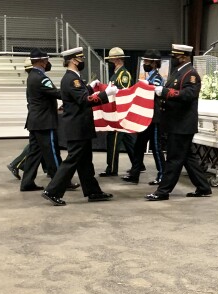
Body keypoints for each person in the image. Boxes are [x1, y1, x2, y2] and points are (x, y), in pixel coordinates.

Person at [41, 47, 114, 206]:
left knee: (85, 162)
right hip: (78, 127)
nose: (83, 61)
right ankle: (52, 191)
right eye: (81, 59)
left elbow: (79, 94)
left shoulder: (74, 78)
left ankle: (93, 191)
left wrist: (89, 87)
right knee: (72, 160)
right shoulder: (71, 79)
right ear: (74, 60)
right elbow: (83, 100)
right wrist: (105, 94)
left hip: (81, 127)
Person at [145, 44, 212, 201]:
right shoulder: (178, 72)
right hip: (175, 122)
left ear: (183, 57)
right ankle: (203, 187)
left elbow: (189, 94)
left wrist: (165, 91)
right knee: (188, 158)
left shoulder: (191, 74)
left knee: (174, 160)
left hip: (182, 124)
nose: (173, 59)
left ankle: (163, 192)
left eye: (175, 56)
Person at [20, 49, 62, 192]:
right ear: (41, 61)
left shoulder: (32, 76)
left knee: (34, 154)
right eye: (46, 60)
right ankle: (61, 181)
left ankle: (27, 182)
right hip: (44, 122)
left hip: (35, 121)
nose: (48, 62)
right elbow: (57, 93)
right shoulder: (41, 78)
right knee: (52, 153)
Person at [122, 49, 165, 185]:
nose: (144, 64)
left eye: (147, 62)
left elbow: (155, 93)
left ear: (153, 63)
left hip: (154, 118)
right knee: (139, 146)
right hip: (146, 117)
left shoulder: (157, 78)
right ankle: (135, 173)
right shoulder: (148, 77)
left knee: (156, 147)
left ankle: (162, 174)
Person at [100, 47, 136, 177]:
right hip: (115, 110)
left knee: (113, 139)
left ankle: (112, 168)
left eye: (112, 58)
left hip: (119, 112)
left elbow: (124, 92)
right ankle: (138, 164)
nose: (110, 61)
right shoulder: (116, 72)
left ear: (117, 59)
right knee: (127, 140)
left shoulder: (123, 74)